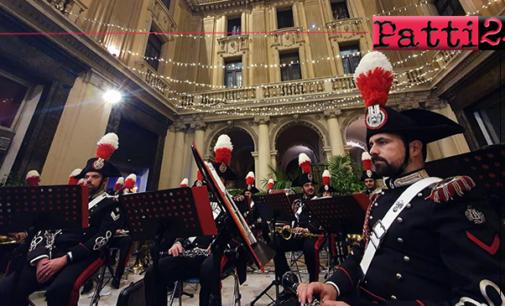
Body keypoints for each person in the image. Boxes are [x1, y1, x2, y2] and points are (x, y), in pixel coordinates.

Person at [296, 51, 504, 306]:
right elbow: (365, 253)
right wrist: (333, 285)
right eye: (371, 143)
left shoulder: (450, 198)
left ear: (415, 148)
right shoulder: (381, 199)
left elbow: (480, 296)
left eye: (383, 142)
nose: (372, 151)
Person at [0, 133, 123, 306]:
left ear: (104, 181)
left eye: (94, 177)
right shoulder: (71, 200)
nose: (88, 180)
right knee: (7, 287)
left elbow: (100, 239)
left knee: (60, 290)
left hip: (81, 254)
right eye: (87, 177)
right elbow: (45, 227)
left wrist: (65, 259)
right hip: (50, 252)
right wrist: (41, 257)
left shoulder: (111, 204)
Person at [144, 134, 239, 306]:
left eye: (221, 181)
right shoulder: (197, 203)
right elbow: (185, 228)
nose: (216, 184)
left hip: (216, 254)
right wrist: (178, 242)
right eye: (213, 180)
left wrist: (220, 245)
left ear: (225, 184)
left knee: (208, 269)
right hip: (190, 253)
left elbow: (237, 237)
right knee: (154, 271)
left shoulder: (233, 206)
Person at [271, 153, 325, 295]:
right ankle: (289, 282)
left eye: (311, 185)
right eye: (307, 185)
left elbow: (320, 221)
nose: (310, 187)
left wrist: (306, 229)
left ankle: (313, 284)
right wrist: (288, 225)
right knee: (275, 244)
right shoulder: (296, 202)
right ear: (301, 188)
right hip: (297, 235)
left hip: (313, 234)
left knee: (309, 247)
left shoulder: (319, 201)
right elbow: (291, 217)